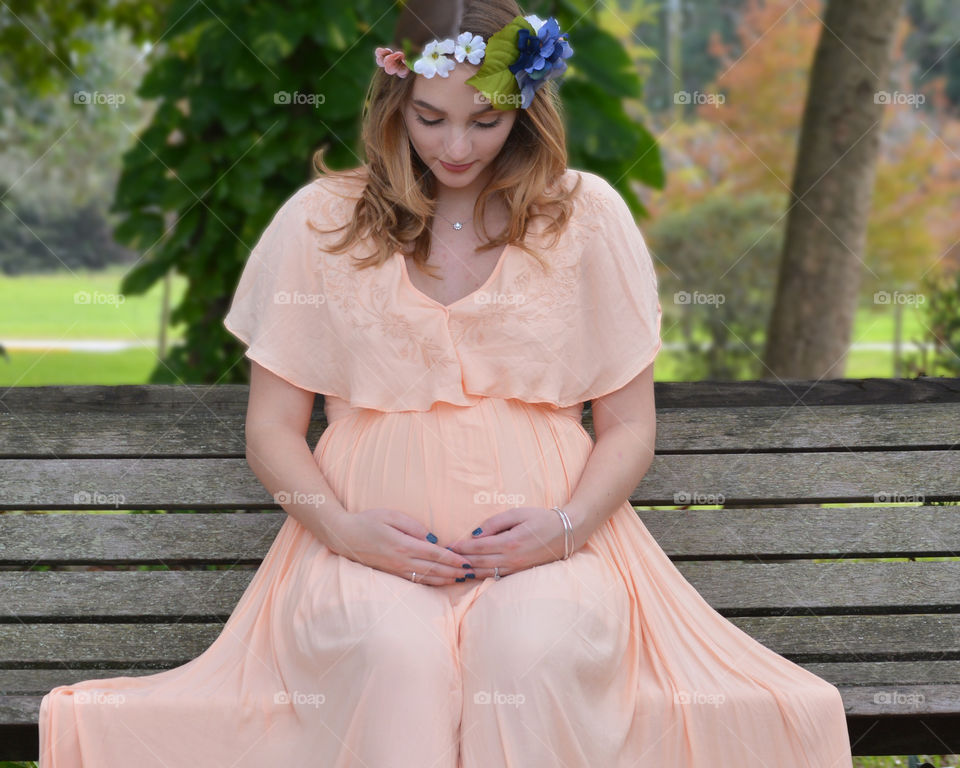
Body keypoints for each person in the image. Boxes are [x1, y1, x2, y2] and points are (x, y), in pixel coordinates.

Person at [38, 1, 855, 765]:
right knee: (399, 656)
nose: (456, 147)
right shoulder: (323, 219)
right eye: (430, 118)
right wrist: (347, 533)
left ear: (526, 109)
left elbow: (629, 427)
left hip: (555, 559)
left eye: (486, 120)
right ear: (394, 97)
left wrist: (565, 528)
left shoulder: (587, 216)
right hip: (354, 556)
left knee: (527, 650)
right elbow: (273, 430)